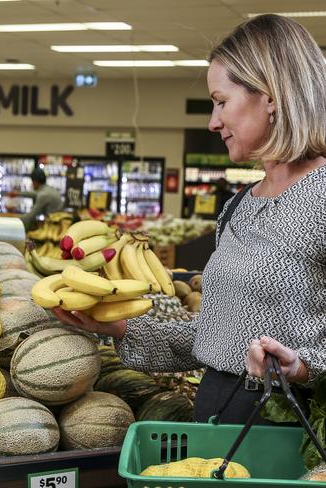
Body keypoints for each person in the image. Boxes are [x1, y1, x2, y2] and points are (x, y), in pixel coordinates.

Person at [54, 14, 326, 424]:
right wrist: (121, 329)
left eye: (221, 102)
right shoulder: (240, 206)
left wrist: (303, 367)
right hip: (218, 415)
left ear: (270, 95)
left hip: (290, 426)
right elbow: (212, 339)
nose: (213, 122)